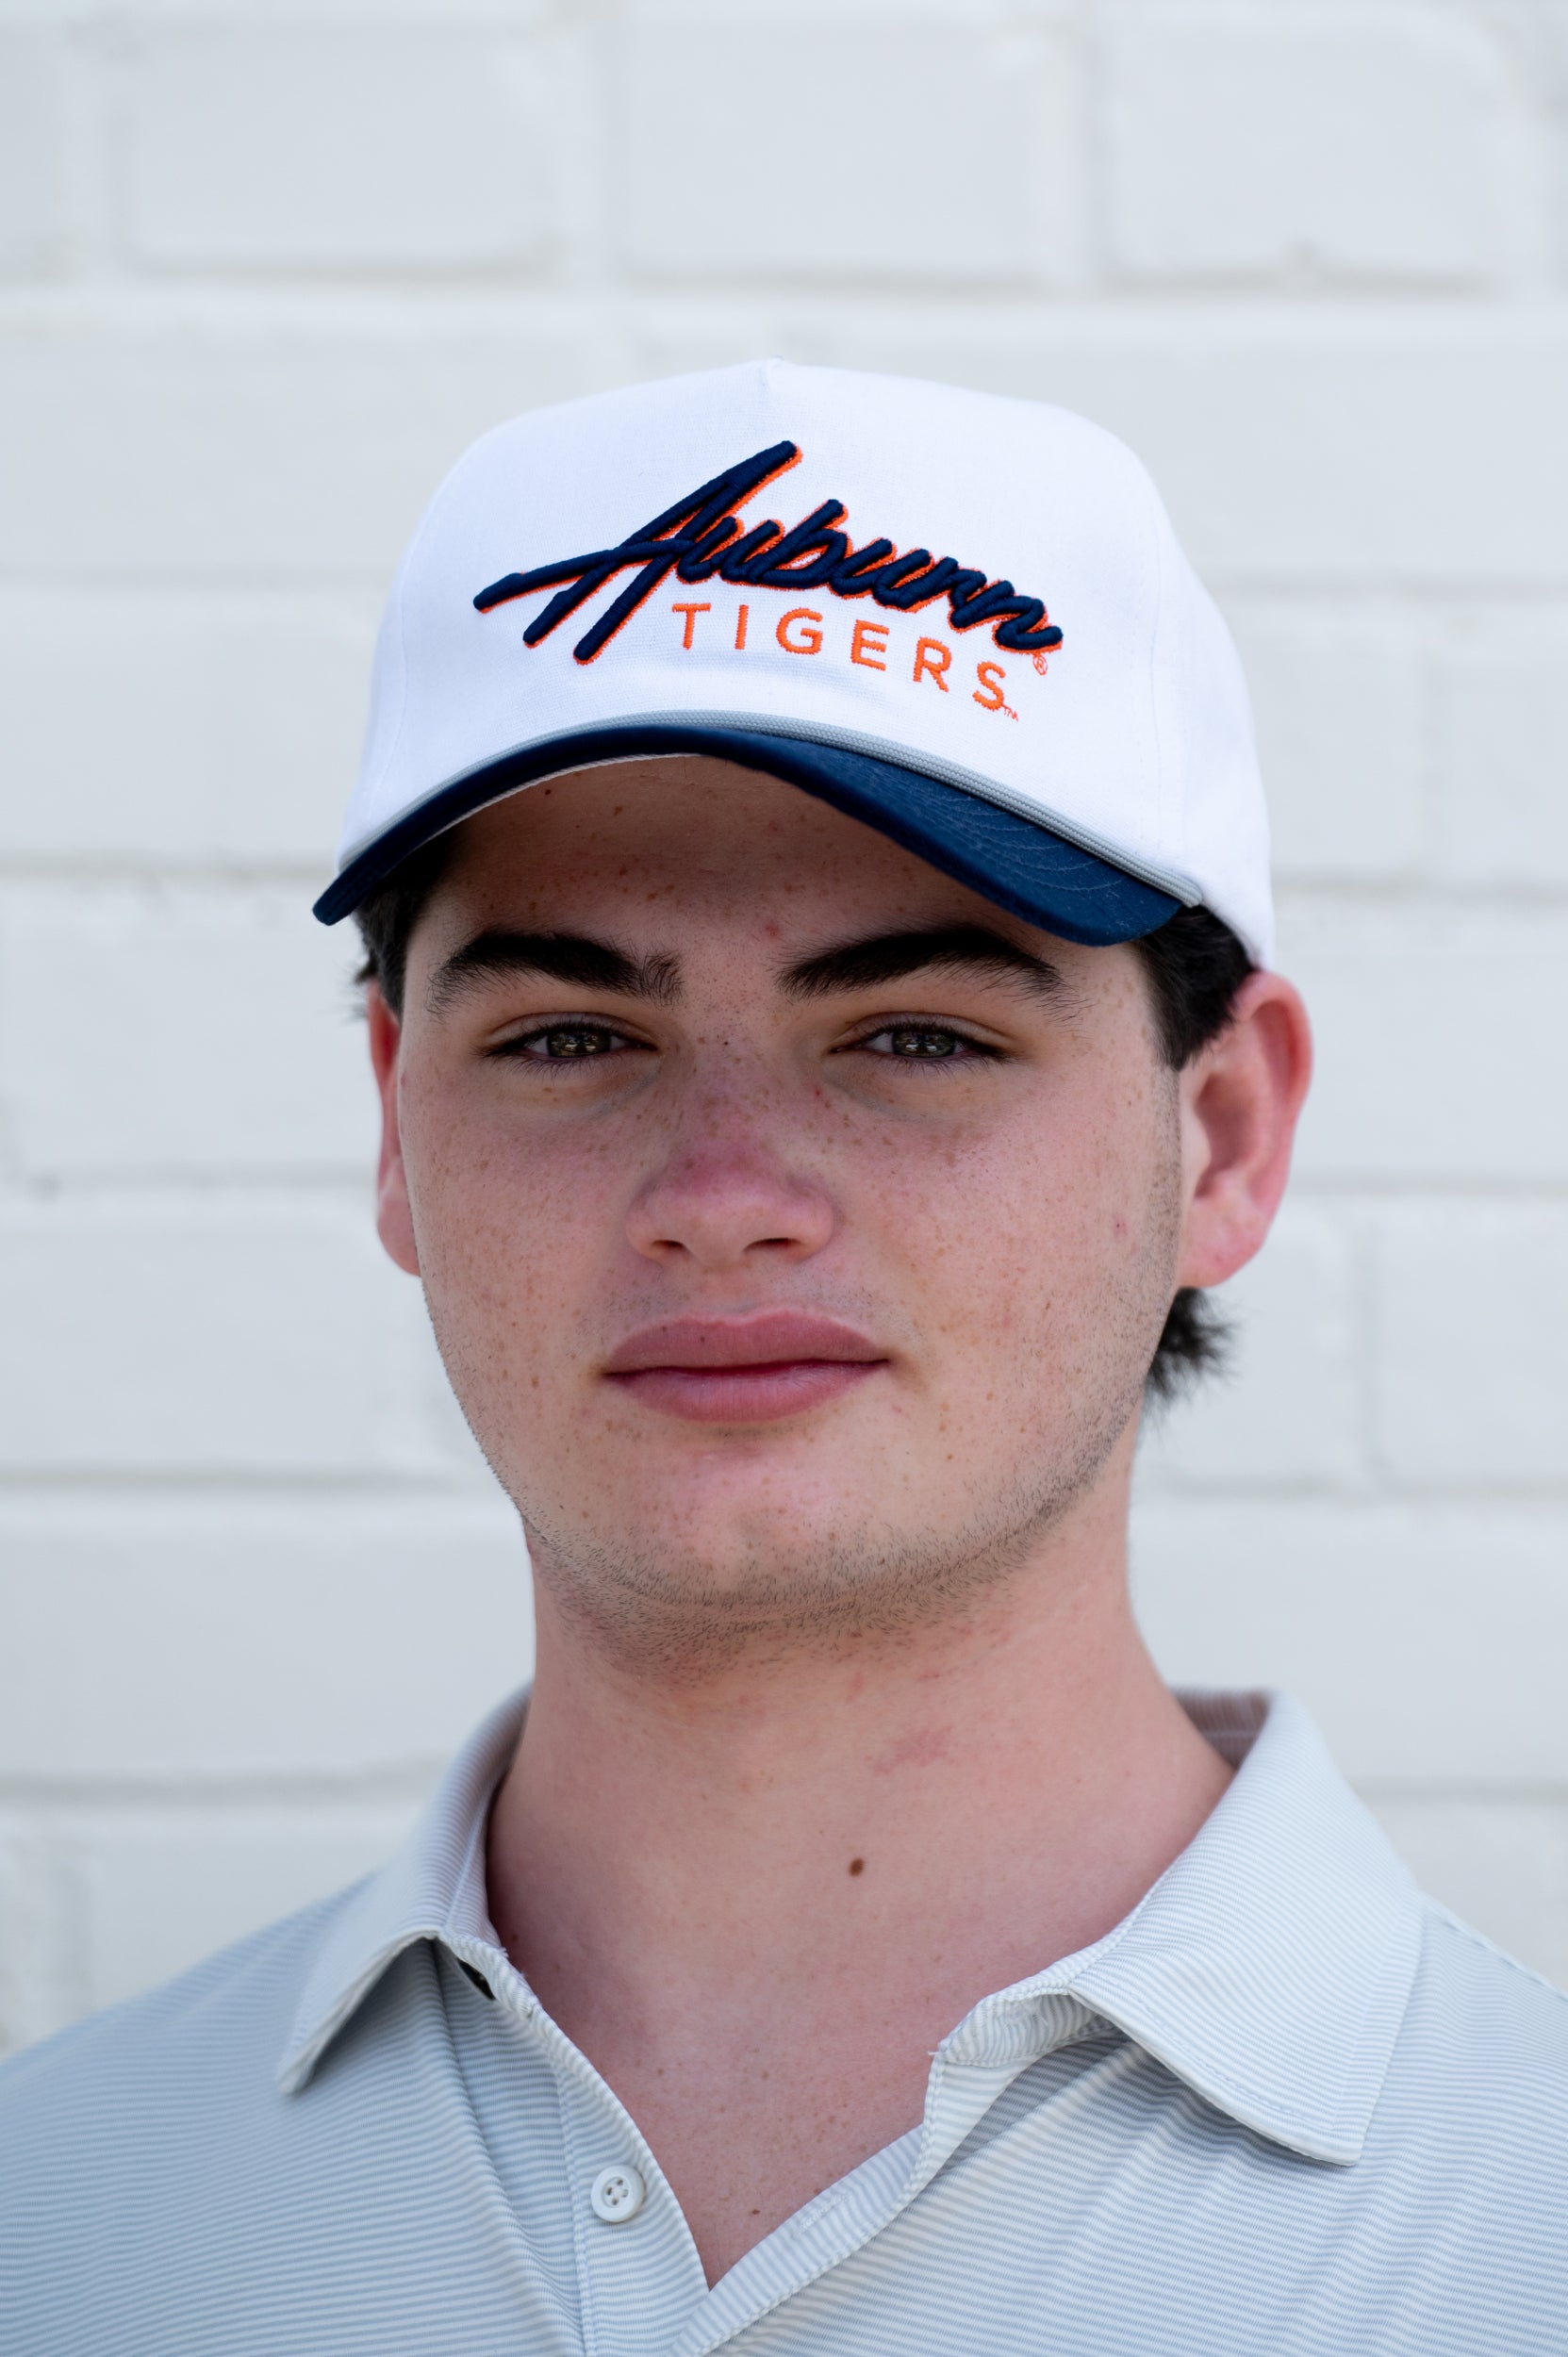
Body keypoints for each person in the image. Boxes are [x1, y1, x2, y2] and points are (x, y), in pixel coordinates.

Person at [2, 360, 1563, 2354]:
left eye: (915, 1032)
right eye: (571, 1036)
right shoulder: (60, 2216)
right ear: (398, 1125)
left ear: (1224, 1135)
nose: (724, 1196)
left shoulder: (1522, 2228)